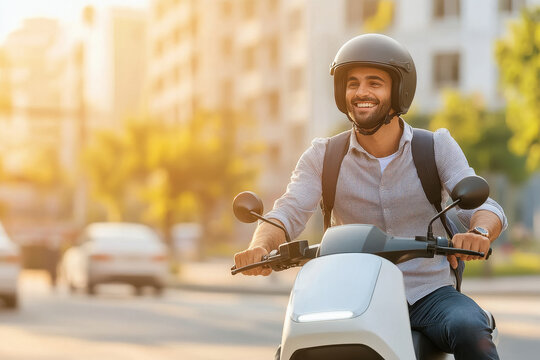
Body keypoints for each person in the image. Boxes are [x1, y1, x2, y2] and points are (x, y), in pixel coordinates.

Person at [233, 33, 506, 360]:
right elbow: (287, 212)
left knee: (469, 328)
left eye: (374, 83)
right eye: (352, 84)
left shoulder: (434, 147)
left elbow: (485, 207)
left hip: (428, 295)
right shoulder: (323, 156)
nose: (361, 92)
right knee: (291, 349)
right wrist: (259, 246)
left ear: (398, 91)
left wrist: (478, 233)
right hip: (349, 297)